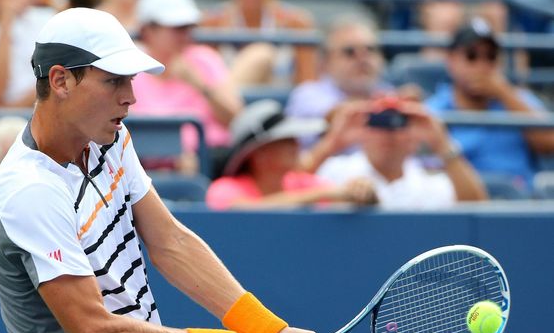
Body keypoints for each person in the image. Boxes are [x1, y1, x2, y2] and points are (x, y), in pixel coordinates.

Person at [0, 8, 325, 333]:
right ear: (62, 81)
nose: (131, 98)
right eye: (113, 81)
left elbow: (171, 242)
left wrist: (265, 330)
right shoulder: (30, 190)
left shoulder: (111, 140)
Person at [425, 18, 554, 193]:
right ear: (451, 60)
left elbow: (549, 143)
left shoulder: (518, 99)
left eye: (491, 56)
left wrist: (504, 93)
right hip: (461, 208)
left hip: (519, 207)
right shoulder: (433, 110)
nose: (482, 65)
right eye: (472, 56)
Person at [300, 97, 488, 209]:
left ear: (414, 136)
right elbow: (286, 189)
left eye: (399, 123)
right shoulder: (334, 169)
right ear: (363, 129)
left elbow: (479, 211)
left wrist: (442, 144)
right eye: (378, 122)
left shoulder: (429, 183)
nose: (388, 133)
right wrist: (332, 142)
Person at [131, 0, 244, 177]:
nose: (185, 35)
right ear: (147, 31)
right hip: (145, 165)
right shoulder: (130, 68)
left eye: (188, 27)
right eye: (176, 28)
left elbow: (236, 118)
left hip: (212, 161)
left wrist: (199, 84)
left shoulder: (206, 59)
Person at [206, 99, 377, 210]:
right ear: (259, 154)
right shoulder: (224, 188)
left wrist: (362, 192)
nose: (297, 145)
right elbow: (243, 211)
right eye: (286, 141)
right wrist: (326, 194)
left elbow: (349, 201)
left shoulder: (303, 182)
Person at [284, 13, 391, 148]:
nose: (363, 58)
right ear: (326, 62)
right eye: (349, 52)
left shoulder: (388, 91)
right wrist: (392, 107)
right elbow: (335, 116)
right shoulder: (308, 93)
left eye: (370, 50)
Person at [200, 0, 319, 86]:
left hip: (279, 111)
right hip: (226, 111)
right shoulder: (212, 22)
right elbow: (208, 79)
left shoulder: (297, 23)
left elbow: (307, 83)